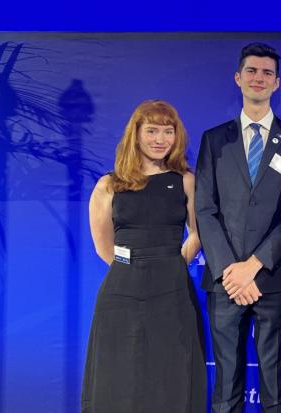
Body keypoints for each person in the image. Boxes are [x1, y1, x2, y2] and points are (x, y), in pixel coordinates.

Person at [195, 42, 281, 413]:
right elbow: (205, 208)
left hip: (274, 278)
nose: (258, 78)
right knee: (226, 385)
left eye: (266, 73)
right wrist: (231, 270)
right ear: (238, 78)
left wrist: (255, 265)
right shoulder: (214, 139)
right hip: (225, 280)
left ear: (276, 83)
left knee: (275, 385)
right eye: (251, 71)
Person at [82, 100, 205, 413]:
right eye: (152, 131)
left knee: (170, 376)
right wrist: (132, 267)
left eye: (168, 131)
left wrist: (171, 261)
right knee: (118, 378)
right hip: (121, 291)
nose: (160, 139)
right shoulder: (109, 185)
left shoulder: (185, 181)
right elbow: (103, 245)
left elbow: (198, 233)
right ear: (135, 134)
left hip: (172, 289)